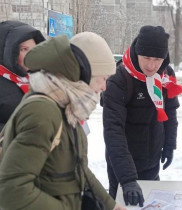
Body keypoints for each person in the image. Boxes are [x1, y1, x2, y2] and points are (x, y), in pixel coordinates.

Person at [0, 33, 126, 210]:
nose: (104, 87)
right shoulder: (43, 112)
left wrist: (109, 204)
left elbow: (77, 166)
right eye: (103, 78)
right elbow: (12, 191)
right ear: (85, 73)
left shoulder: (67, 106)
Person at [103, 25, 182, 207]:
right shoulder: (119, 79)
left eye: (157, 59)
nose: (152, 65)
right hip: (122, 165)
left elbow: (170, 111)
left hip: (151, 160)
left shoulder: (166, 76)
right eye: (146, 58)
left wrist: (169, 145)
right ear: (137, 52)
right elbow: (113, 131)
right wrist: (128, 179)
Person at [0, 20, 45, 131]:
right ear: (7, 52)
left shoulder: (40, 79)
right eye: (24, 49)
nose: (31, 55)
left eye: (34, 49)